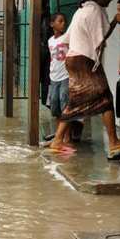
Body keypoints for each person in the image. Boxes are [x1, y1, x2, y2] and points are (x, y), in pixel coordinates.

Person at [51, 0, 120, 158]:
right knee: (105, 98)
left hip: (72, 59)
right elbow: (100, 39)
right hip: (84, 61)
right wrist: (113, 22)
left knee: (75, 101)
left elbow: (66, 39)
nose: (111, 0)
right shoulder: (96, 10)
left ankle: (57, 140)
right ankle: (114, 143)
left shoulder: (80, 11)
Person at [47, 13, 72, 148]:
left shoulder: (67, 37)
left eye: (64, 21)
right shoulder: (50, 41)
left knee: (65, 105)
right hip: (54, 77)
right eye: (60, 21)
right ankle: (60, 135)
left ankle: (66, 137)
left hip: (66, 76)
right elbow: (53, 58)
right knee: (55, 107)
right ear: (52, 24)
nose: (63, 23)